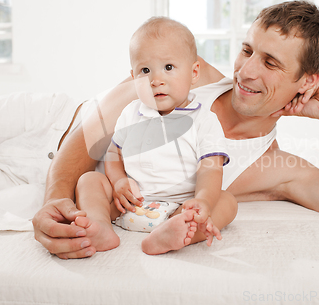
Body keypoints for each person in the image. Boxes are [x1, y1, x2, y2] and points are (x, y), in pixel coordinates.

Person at [26, 0, 319, 260]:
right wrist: (54, 198)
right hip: (53, 129)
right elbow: (89, 131)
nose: (246, 72)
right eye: (247, 50)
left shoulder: (277, 168)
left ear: (307, 81)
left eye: (271, 63)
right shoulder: (186, 78)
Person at [72, 17, 236, 255]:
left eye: (168, 67)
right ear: (133, 76)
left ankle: (174, 234)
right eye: (145, 70)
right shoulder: (131, 112)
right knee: (89, 180)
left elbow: (211, 168)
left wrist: (203, 201)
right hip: (129, 204)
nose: (156, 80)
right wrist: (119, 182)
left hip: (181, 209)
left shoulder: (203, 120)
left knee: (227, 202)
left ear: (194, 72)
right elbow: (113, 152)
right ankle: (100, 225)